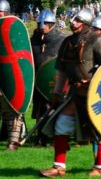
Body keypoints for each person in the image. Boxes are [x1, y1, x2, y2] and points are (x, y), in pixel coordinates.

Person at [39, 9, 101, 177]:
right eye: (73, 20)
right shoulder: (67, 42)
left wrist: (96, 86)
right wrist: (58, 91)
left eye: (77, 20)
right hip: (73, 92)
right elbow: (62, 70)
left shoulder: (97, 41)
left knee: (97, 129)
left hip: (94, 93)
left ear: (86, 23)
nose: (73, 22)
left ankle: (99, 167)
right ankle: (59, 166)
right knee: (61, 125)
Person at [30, 9, 66, 147]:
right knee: (39, 110)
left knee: (54, 110)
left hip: (54, 81)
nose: (42, 26)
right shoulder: (33, 41)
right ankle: (40, 137)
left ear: (52, 24)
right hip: (38, 82)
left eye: (46, 23)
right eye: (40, 23)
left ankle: (52, 138)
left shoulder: (61, 40)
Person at [0, 0, 26, 151]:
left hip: (9, 73)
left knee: (12, 108)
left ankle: (13, 142)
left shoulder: (12, 29)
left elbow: (18, 51)